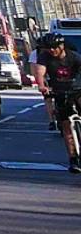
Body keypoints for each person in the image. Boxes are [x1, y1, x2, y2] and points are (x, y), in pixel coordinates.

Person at [31, 35, 81, 173]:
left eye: (55, 47)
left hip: (77, 89)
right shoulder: (45, 57)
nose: (52, 50)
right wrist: (41, 86)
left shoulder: (74, 57)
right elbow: (40, 72)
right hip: (59, 90)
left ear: (62, 46)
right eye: (49, 48)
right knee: (66, 126)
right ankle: (73, 159)